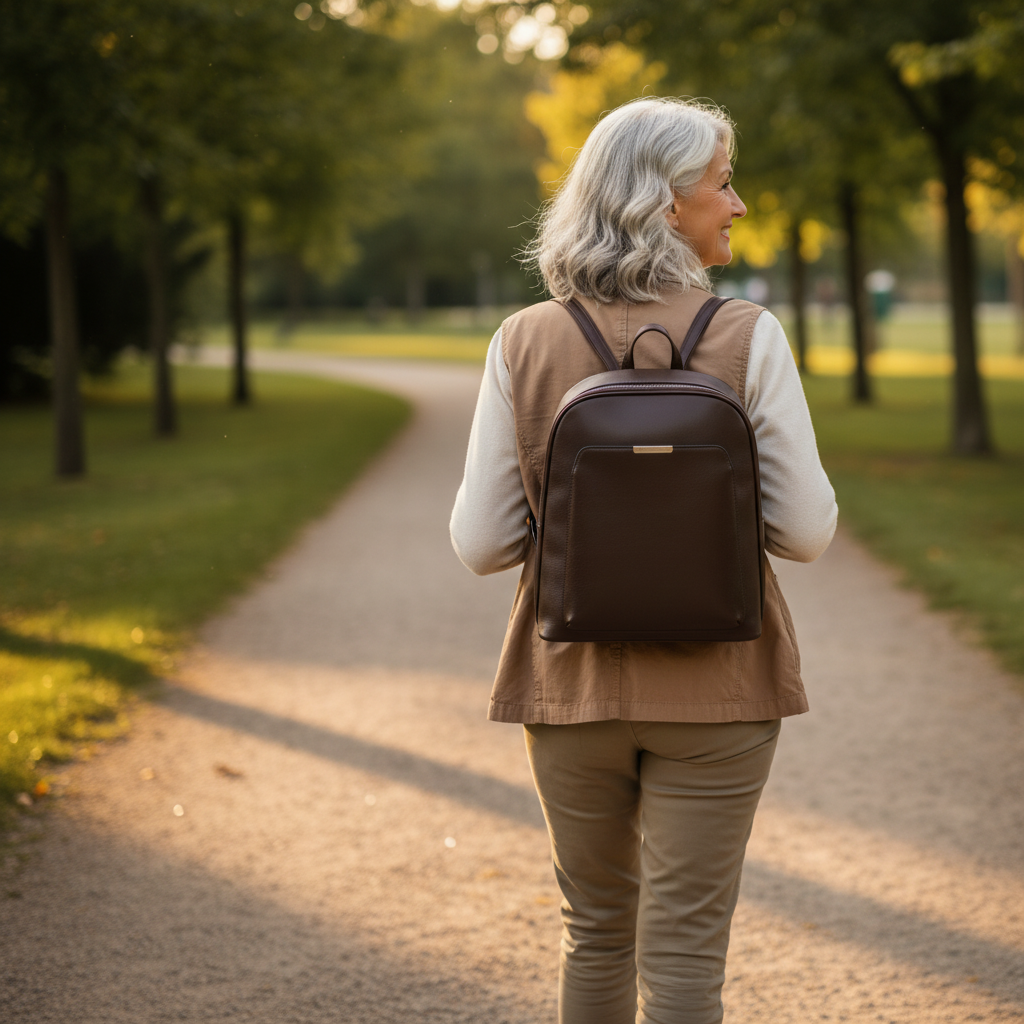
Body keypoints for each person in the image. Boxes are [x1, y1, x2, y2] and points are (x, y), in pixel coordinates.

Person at [449, 97, 837, 1024]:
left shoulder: (524, 339)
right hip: (721, 687)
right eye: (723, 185)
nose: (738, 204)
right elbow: (805, 532)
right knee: (686, 955)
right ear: (665, 203)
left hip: (570, 683)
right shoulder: (748, 335)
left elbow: (483, 545)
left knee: (594, 933)